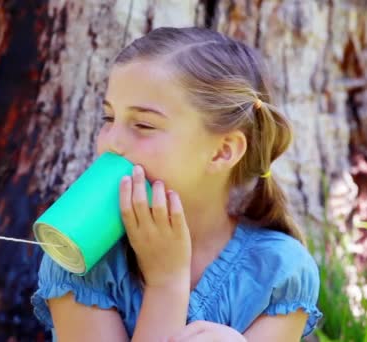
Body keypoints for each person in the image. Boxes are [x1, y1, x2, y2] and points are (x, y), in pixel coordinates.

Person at [31, 26, 322, 342]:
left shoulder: (279, 271)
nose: (111, 143)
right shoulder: (82, 262)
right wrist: (165, 283)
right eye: (108, 119)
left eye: (143, 124)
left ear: (223, 151)